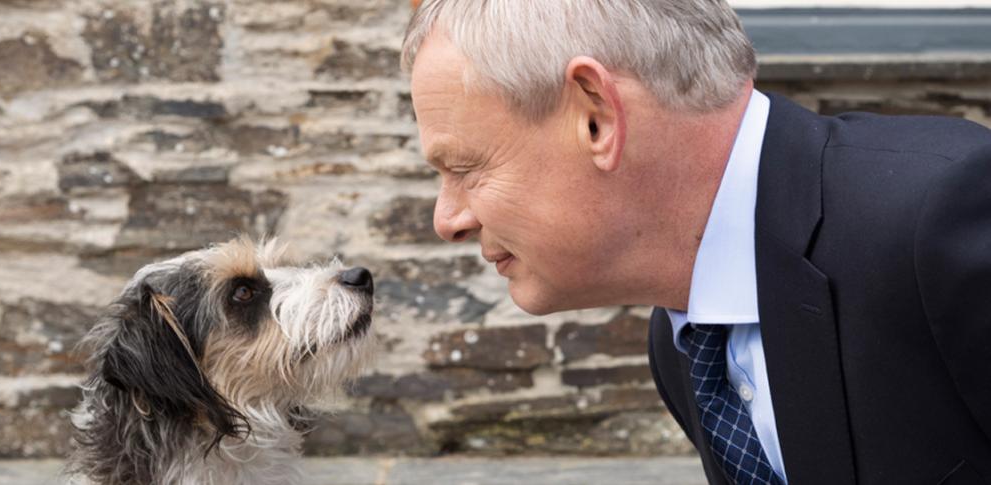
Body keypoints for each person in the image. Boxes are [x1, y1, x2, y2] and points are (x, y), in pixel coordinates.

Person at [401, 1, 991, 484]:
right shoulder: (686, 337)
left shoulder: (947, 215)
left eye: (464, 166)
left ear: (596, 118)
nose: (447, 219)